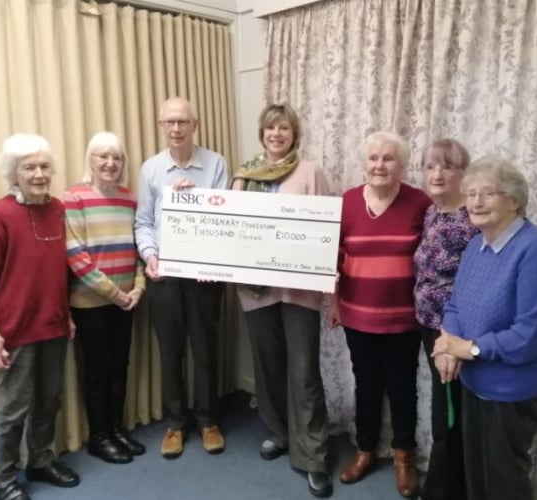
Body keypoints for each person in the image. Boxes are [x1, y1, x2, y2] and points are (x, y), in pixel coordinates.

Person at [432, 156, 537, 500]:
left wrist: (469, 349)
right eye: (471, 194)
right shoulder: (475, 246)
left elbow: (529, 338)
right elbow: (455, 307)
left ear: (514, 200)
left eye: (488, 193)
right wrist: (447, 343)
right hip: (473, 380)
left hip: (510, 389)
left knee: (503, 482)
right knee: (476, 477)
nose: (476, 202)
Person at [231, 103, 333, 498]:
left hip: (299, 290)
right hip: (256, 290)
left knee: (304, 372)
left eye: (284, 128)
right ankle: (277, 433)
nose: (277, 134)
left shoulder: (310, 173)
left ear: (295, 134)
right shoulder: (243, 176)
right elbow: (230, 231)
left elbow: (327, 229)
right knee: (267, 365)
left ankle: (313, 456)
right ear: (262, 133)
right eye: (271, 128)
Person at [0, 133, 80, 500]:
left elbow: (57, 271)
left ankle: (40, 460)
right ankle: (3, 480)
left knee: (49, 401)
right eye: (29, 167)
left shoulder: (58, 209)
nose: (38, 174)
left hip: (52, 324)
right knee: (13, 410)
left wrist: (64, 315)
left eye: (44, 166)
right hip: (15, 329)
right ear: (13, 173)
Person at [330, 131, 431, 498]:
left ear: (401, 165)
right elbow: (334, 259)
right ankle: (365, 451)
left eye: (388, 159)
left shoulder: (420, 202)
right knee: (367, 385)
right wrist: (335, 304)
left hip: (405, 318)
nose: (380, 165)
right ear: (364, 163)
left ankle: (404, 458)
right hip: (358, 315)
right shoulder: (347, 202)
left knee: (403, 388)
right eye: (373, 158)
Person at [134, 97, 227, 458]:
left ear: (195, 125)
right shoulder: (150, 169)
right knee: (170, 350)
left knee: (205, 349)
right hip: (165, 275)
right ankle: (175, 424)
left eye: (183, 122)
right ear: (161, 126)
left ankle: (208, 421)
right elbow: (143, 222)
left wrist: (198, 199)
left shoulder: (216, 164)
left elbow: (224, 219)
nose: (176, 129)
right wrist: (150, 256)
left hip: (204, 275)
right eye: (170, 122)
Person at [64, 132, 146, 464]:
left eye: (117, 157)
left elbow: (139, 247)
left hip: (128, 299)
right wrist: (114, 293)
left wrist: (138, 286)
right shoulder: (74, 198)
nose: (110, 163)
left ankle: (115, 429)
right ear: (91, 160)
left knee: (120, 366)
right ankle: (99, 437)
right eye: (102, 156)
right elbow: (75, 255)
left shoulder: (129, 198)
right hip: (92, 302)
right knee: (98, 370)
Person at [413, 139, 477, 500]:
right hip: (427, 325)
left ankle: (441, 491)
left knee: (450, 412)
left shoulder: (473, 218)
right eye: (431, 166)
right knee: (444, 406)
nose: (437, 174)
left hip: (454, 330)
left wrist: (454, 334)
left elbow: (480, 281)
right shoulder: (432, 212)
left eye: (448, 167)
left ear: (462, 174)